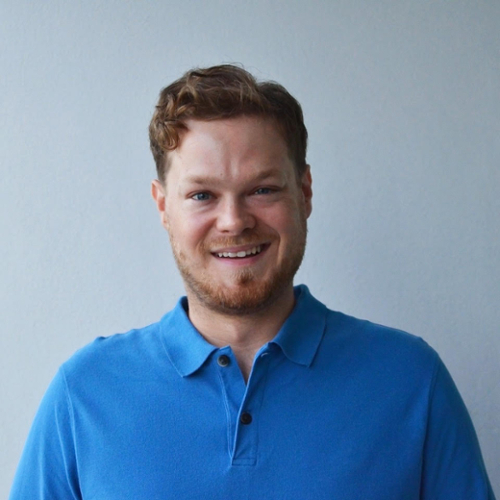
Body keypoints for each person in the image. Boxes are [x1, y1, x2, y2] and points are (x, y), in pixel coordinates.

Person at [10, 65, 495, 500]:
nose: (234, 221)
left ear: (304, 192)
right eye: (202, 195)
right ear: (163, 207)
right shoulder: (84, 393)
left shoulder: (411, 381)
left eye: (262, 189)